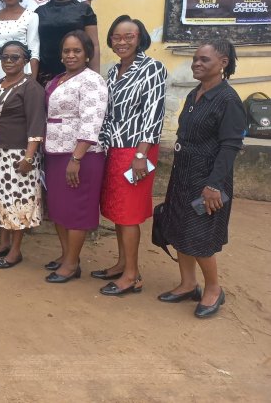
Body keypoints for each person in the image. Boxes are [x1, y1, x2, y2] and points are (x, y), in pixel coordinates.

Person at [159, 39, 245, 318]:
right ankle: (187, 284)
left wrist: (213, 185)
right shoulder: (195, 94)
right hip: (182, 174)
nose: (196, 63)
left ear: (222, 63)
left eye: (204, 60)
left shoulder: (228, 99)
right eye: (195, 59)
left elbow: (230, 145)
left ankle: (213, 289)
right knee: (179, 229)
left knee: (200, 236)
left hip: (207, 181)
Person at [96, 16, 167, 295]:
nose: (122, 42)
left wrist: (141, 154)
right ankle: (121, 263)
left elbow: (154, 113)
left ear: (140, 39)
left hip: (137, 150)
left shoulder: (152, 68)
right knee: (116, 210)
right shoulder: (113, 72)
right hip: (115, 148)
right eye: (117, 36)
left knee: (129, 214)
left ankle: (132, 275)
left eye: (129, 36)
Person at [44, 30, 107, 283]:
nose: (71, 55)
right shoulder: (59, 79)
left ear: (88, 54)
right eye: (67, 51)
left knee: (77, 210)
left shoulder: (92, 80)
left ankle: (71, 264)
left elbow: (92, 121)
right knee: (59, 207)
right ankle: (66, 255)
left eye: (77, 51)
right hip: (56, 151)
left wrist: (77, 158)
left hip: (81, 154)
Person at [0, 41, 45, 268]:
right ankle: (3, 243)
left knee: (18, 202)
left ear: (26, 60)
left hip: (19, 154)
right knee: (1, 200)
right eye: (5, 57)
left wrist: (29, 157)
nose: (9, 61)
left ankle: (16, 250)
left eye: (15, 57)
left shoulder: (31, 87)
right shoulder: (0, 83)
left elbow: (37, 124)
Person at [35, 0, 99, 84]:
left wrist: (95, 77)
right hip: (46, 75)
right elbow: (35, 47)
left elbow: (94, 45)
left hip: (77, 73)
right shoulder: (39, 12)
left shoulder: (84, 11)